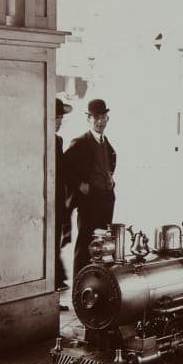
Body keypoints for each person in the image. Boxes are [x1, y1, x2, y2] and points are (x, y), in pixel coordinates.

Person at [65, 98, 117, 278]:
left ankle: (96, 285)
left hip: (105, 200)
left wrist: (111, 181)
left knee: (103, 245)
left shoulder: (106, 143)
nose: (100, 121)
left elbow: (109, 164)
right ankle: (79, 288)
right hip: (89, 201)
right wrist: (80, 185)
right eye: (95, 117)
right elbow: (64, 168)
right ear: (88, 119)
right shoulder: (80, 142)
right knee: (85, 244)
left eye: (103, 117)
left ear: (107, 118)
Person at [54, 98, 72, 294]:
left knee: (56, 242)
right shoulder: (43, 140)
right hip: (47, 203)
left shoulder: (58, 141)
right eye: (57, 117)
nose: (59, 121)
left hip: (59, 202)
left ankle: (56, 280)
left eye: (60, 117)